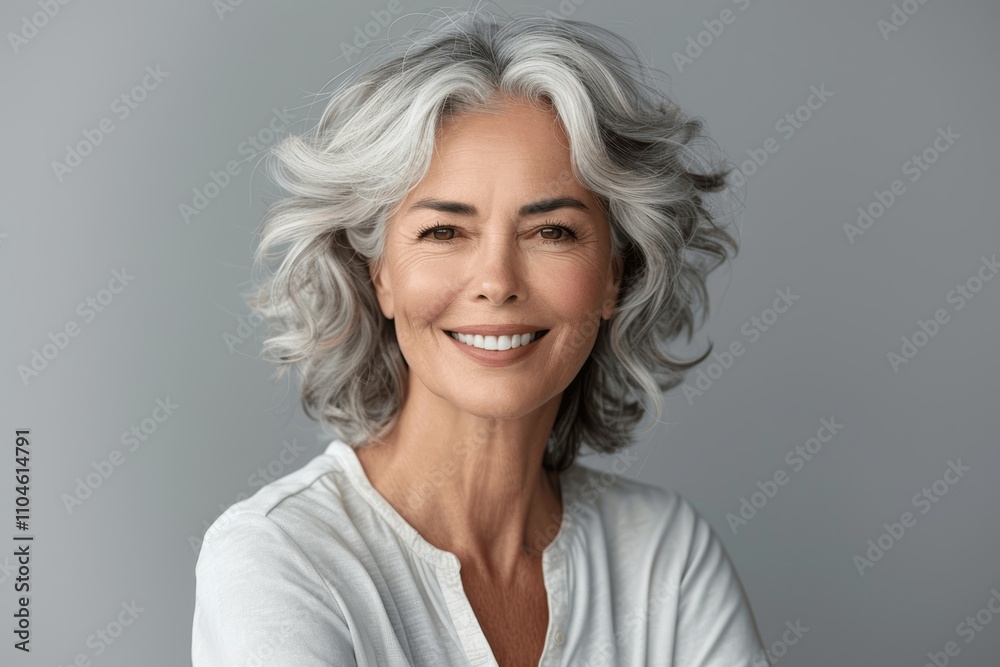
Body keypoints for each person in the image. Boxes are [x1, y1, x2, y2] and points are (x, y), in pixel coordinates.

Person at [193, 8, 766, 666]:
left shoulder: (665, 554)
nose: (496, 281)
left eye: (552, 231)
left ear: (615, 274)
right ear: (378, 274)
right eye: (444, 231)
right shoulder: (280, 556)